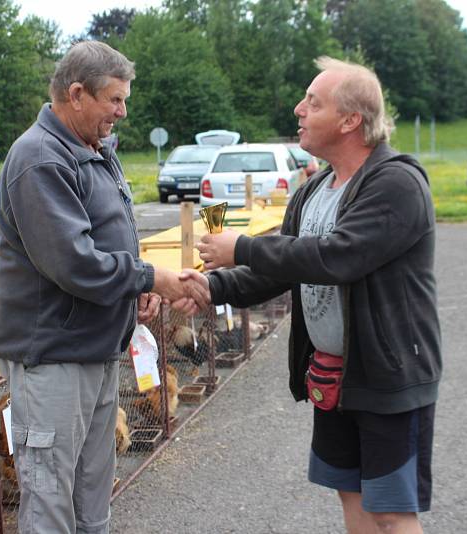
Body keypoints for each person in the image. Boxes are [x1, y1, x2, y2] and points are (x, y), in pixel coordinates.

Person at [186, 56, 442, 534]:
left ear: (350, 120)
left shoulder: (396, 183)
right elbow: (277, 274)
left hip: (387, 375)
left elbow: (335, 256)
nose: (299, 110)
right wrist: (208, 285)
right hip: (334, 372)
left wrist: (240, 246)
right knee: (353, 496)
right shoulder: (315, 188)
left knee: (390, 510)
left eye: (313, 102)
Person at [0, 41, 208, 534]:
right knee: (51, 505)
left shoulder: (93, 150)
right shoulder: (40, 159)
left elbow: (107, 244)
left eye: (125, 100)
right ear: (77, 93)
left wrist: (134, 289)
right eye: (115, 99)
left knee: (92, 501)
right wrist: (150, 277)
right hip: (54, 357)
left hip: (97, 349)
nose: (122, 112)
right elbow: (74, 263)